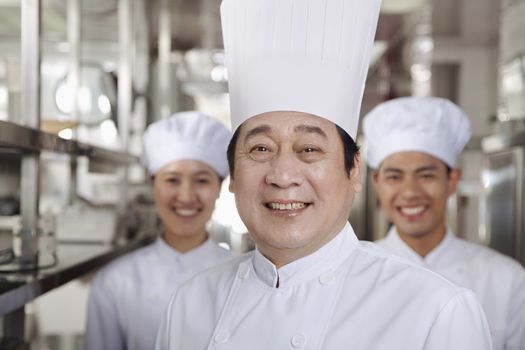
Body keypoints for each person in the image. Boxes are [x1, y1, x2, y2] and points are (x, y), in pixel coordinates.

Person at [155, 0, 492, 349]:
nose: (283, 176)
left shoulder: (434, 312)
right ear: (234, 176)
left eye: (310, 150)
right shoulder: (189, 304)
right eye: (261, 149)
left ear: (354, 170)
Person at [363, 96, 525, 350]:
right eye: (394, 177)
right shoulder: (353, 274)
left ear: (452, 181)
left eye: (426, 175)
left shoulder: (506, 280)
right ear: (376, 183)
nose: (410, 192)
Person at [84, 111, 235, 350]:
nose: (186, 196)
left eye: (202, 180)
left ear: (220, 187)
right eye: (172, 180)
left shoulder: (244, 278)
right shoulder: (114, 283)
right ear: (152, 184)